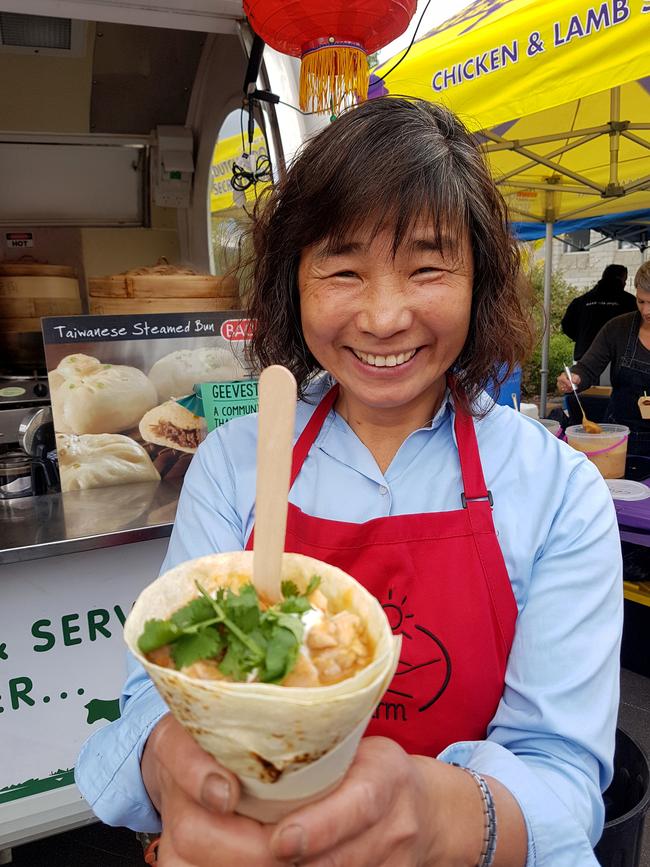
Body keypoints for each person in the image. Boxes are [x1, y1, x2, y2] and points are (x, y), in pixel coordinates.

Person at [75, 98, 623, 867]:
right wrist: (167, 759)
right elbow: (154, 696)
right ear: (293, 283)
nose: (385, 315)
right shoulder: (237, 463)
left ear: (481, 279)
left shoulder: (558, 489)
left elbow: (563, 780)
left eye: (428, 267)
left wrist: (438, 819)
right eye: (342, 268)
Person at [557, 261, 650, 457]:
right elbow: (587, 368)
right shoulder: (618, 328)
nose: (646, 311)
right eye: (641, 301)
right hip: (621, 439)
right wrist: (574, 378)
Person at [561, 263, 636, 361]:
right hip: (617, 357)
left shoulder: (580, 301)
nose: (625, 284)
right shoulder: (630, 301)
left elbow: (566, 325)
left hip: (585, 355)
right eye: (624, 280)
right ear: (619, 279)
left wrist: (582, 337)